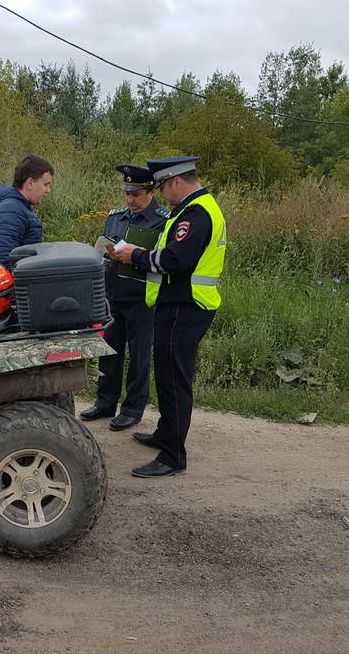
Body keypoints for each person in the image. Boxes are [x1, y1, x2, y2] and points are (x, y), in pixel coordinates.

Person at [114, 156, 226, 478]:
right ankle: (166, 433)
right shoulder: (194, 208)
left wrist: (133, 254)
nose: (162, 194)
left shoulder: (197, 213)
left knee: (174, 381)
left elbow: (175, 259)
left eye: (162, 186)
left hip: (185, 306)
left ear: (176, 181)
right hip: (178, 305)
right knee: (165, 374)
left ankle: (173, 455)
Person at [80, 164, 169, 431]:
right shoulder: (116, 217)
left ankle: (132, 409)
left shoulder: (163, 220)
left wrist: (138, 254)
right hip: (113, 294)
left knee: (139, 356)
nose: (130, 200)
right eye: (127, 193)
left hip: (142, 298)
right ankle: (105, 402)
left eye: (137, 194)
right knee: (109, 352)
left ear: (151, 192)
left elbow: (164, 260)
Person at [0, 155, 54, 268]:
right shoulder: (11, 212)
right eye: (45, 185)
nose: (48, 190)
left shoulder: (19, 207)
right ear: (30, 183)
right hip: (15, 284)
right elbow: (5, 262)